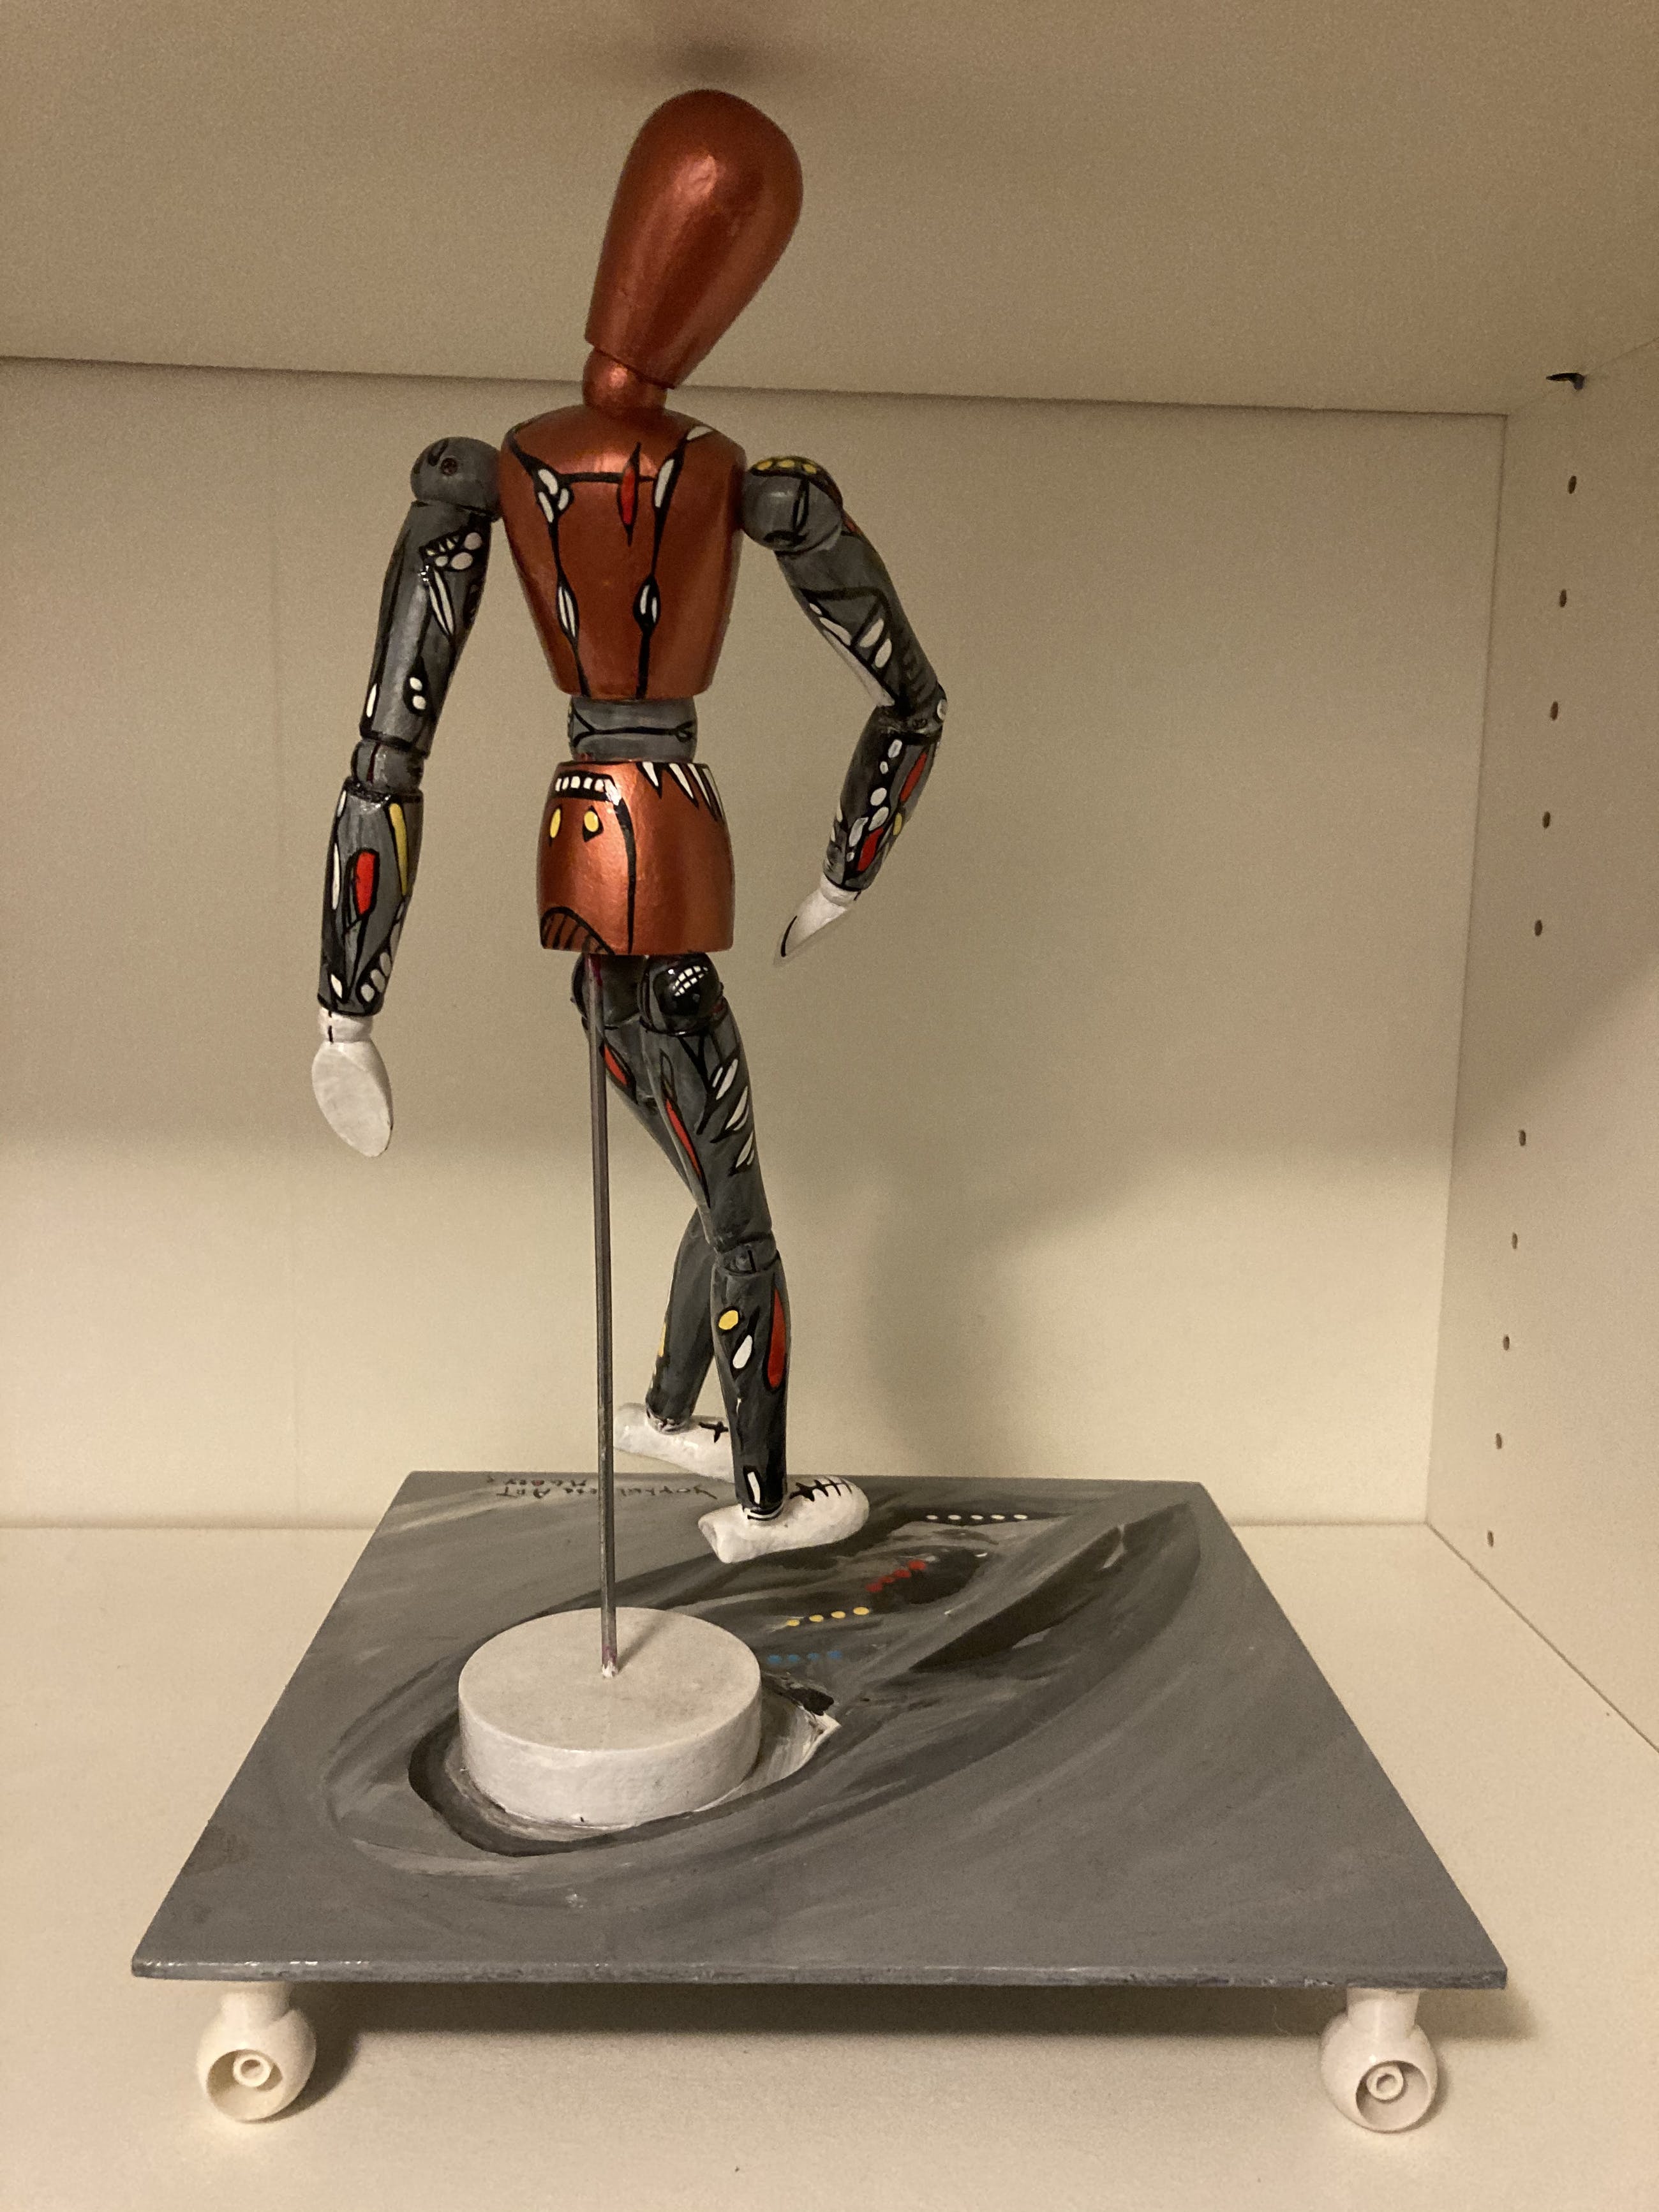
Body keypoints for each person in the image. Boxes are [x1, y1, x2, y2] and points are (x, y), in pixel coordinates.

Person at [311, 91, 945, 1563]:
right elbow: (911, 700)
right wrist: (846, 872)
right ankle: (763, 1506)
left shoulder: (500, 472)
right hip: (660, 885)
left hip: (588, 863)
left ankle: (664, 1411)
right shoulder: (740, 483)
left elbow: (388, 750)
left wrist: (348, 1003)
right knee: (745, 1222)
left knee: (710, 1175)